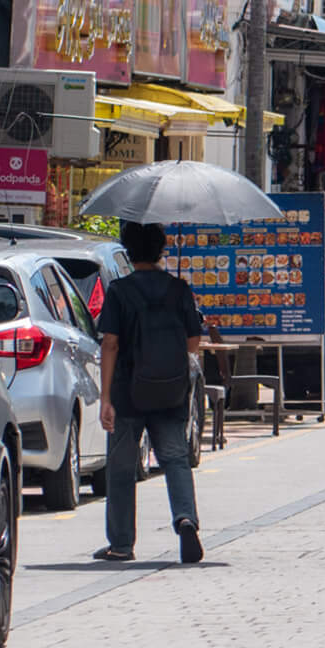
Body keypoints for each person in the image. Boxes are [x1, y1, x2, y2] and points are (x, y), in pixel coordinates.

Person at [93, 220, 206, 564]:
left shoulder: (119, 291)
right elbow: (193, 342)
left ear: (128, 252)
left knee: (123, 468)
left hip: (129, 392)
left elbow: (110, 344)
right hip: (171, 390)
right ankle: (186, 519)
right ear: (161, 250)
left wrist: (106, 397)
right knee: (175, 459)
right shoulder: (179, 289)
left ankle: (122, 543)